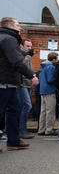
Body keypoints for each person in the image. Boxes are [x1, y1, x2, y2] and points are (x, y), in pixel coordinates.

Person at [0, 17, 39, 151]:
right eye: (17, 25)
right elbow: (17, 61)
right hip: (4, 82)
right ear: (10, 26)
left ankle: (13, 141)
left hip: (9, 83)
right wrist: (31, 75)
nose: (20, 28)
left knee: (14, 110)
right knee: (6, 111)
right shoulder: (8, 39)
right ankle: (13, 140)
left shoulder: (5, 38)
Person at [38, 52, 58, 136]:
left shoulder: (43, 66)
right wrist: (57, 80)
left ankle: (41, 129)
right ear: (53, 59)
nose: (57, 59)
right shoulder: (51, 67)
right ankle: (49, 130)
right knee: (50, 111)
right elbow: (50, 80)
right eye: (57, 58)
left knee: (43, 111)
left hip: (42, 90)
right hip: (50, 91)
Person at [18, 39, 35, 139]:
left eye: (30, 46)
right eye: (27, 46)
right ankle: (22, 130)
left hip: (27, 84)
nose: (29, 48)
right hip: (22, 84)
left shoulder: (28, 56)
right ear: (21, 46)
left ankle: (20, 130)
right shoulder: (23, 55)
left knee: (21, 107)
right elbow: (23, 68)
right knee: (27, 106)